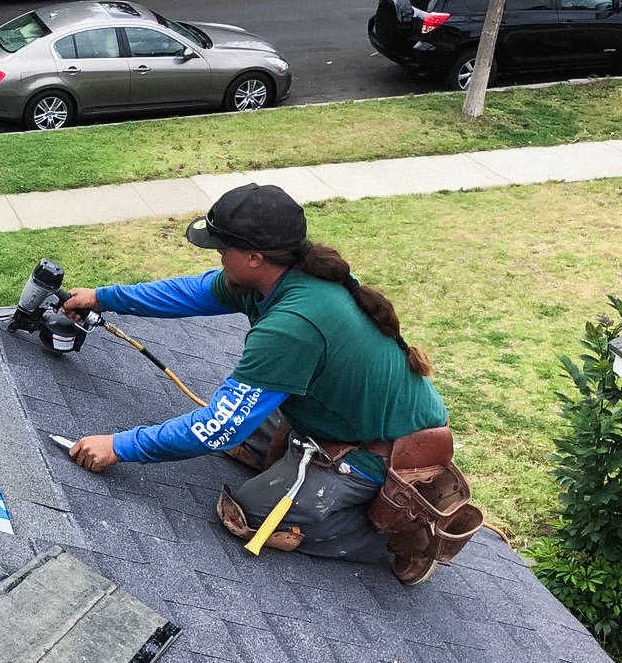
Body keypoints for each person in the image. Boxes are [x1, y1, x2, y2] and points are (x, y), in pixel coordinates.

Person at [63, 182, 451, 584]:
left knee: (247, 513)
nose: (217, 254)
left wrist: (119, 446)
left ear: (254, 257)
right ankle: (312, 471)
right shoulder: (275, 278)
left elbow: (216, 427)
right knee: (244, 435)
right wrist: (103, 297)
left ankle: (402, 537)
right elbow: (190, 292)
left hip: (386, 454)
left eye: (222, 247)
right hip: (341, 417)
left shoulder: (293, 326)